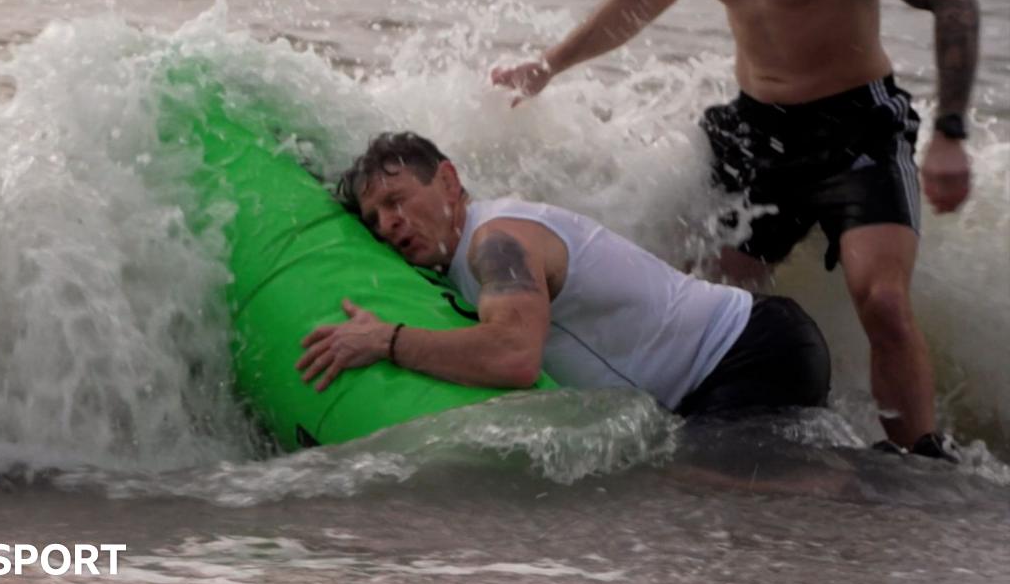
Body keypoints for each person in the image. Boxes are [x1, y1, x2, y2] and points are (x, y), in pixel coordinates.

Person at [488, 0, 977, 458]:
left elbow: (953, 0)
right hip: (757, 136)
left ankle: (921, 460)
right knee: (706, 295)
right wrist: (549, 66)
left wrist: (951, 134)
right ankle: (714, 429)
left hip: (856, 133)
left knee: (884, 302)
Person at [296, 132, 831, 422]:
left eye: (397, 200)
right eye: (375, 219)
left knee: (688, 497)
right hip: (735, 363)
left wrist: (386, 341)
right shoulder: (460, 258)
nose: (389, 224)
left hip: (747, 356)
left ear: (449, 180)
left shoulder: (497, 242)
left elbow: (514, 356)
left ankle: (885, 494)